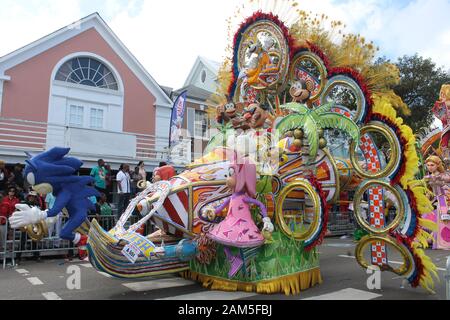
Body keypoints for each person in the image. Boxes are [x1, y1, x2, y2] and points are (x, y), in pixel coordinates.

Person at [206, 155, 274, 278]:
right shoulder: (232, 197)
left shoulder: (243, 198)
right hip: (230, 223)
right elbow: (220, 207)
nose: (228, 179)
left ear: (243, 178)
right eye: (228, 175)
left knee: (241, 243)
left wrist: (266, 220)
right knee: (223, 240)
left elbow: (259, 205)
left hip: (243, 224)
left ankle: (246, 265)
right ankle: (233, 260)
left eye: (231, 175)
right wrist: (213, 212)